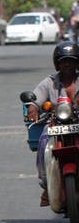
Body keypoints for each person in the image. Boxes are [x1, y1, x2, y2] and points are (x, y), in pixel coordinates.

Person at [25, 41, 79, 207]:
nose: (67, 64)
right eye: (64, 61)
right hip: (55, 124)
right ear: (58, 63)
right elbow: (36, 98)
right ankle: (47, 185)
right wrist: (33, 108)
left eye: (71, 60)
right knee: (44, 145)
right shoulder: (49, 82)